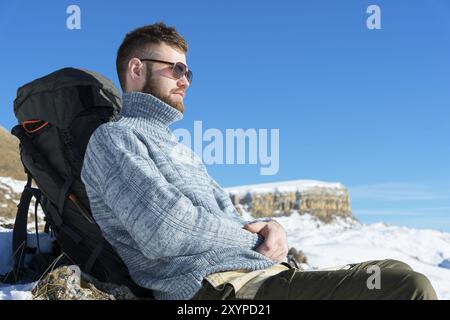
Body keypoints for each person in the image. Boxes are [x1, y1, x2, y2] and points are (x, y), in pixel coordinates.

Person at [81, 22, 437, 300]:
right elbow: (166, 231)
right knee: (406, 286)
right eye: (175, 70)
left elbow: (229, 219)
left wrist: (270, 228)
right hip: (212, 291)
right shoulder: (115, 139)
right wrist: (252, 240)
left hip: (253, 276)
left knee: (391, 268)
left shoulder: (181, 149)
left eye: (188, 72)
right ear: (136, 69)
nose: (185, 81)